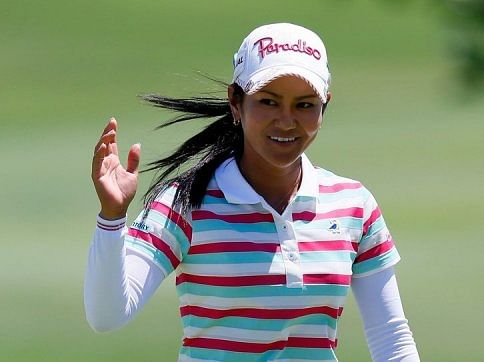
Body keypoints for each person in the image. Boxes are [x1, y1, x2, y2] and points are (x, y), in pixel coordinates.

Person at [85, 23, 420, 361]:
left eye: (304, 105)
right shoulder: (184, 203)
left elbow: (390, 338)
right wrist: (112, 219)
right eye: (269, 102)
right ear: (235, 101)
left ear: (325, 105)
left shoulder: (352, 205)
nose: (287, 121)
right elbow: (107, 316)